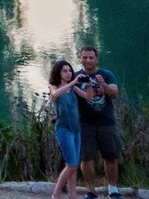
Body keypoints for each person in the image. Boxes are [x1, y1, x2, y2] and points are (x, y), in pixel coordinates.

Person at [76, 46, 122, 198]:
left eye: (91, 57)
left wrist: (104, 85)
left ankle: (113, 189)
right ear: (80, 58)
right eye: (84, 57)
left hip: (106, 122)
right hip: (84, 123)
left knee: (110, 156)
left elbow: (114, 93)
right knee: (86, 157)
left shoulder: (106, 74)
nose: (88, 60)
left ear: (97, 58)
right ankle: (91, 191)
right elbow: (65, 96)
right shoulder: (76, 77)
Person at [48, 59, 94, 199]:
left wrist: (89, 85)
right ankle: (56, 195)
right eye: (65, 71)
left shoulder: (73, 88)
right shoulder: (53, 87)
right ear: (58, 73)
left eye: (70, 71)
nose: (68, 74)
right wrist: (74, 82)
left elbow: (88, 97)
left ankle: (72, 194)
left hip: (76, 130)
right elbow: (55, 95)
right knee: (72, 165)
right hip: (63, 130)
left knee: (73, 164)